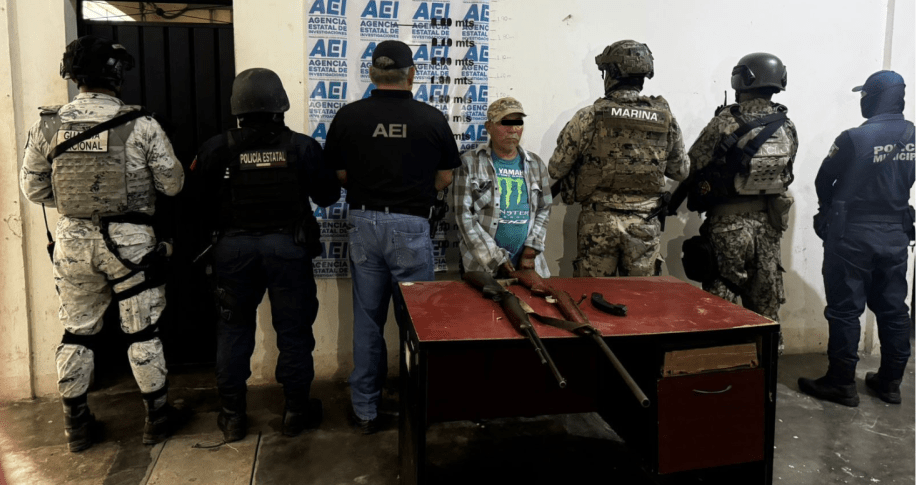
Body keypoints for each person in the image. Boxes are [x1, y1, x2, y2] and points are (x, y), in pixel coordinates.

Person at [19, 35, 189, 452]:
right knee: (142, 329)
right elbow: (172, 185)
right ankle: (157, 419)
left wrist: (79, 203)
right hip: (131, 246)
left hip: (73, 244)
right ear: (117, 76)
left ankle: (76, 425)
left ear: (72, 75)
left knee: (76, 332)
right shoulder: (141, 125)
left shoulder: (47, 126)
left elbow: (33, 189)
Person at [193, 68, 342, 441]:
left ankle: (232, 417)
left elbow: (197, 202)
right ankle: (295, 412)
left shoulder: (215, 147)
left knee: (233, 330)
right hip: (287, 249)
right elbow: (327, 196)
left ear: (237, 106)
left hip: (233, 251)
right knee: (294, 330)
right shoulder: (302, 147)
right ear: (281, 104)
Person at [323, 40, 461, 434]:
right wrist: (412, 193)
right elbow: (445, 177)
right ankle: (419, 405)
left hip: (363, 223)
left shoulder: (349, 117)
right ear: (411, 74)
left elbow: (340, 175)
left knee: (368, 320)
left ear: (372, 73)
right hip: (411, 225)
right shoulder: (431, 119)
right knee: (417, 321)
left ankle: (365, 411)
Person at [799, 70, 915, 407]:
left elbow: (824, 180)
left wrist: (827, 211)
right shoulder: (913, 135)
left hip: (853, 234)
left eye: (865, 95)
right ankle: (890, 383)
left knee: (845, 310)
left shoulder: (854, 138)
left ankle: (841, 383)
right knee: (894, 310)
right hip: (895, 233)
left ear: (875, 97)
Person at [549, 40, 688, 277]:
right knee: (640, 296)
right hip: (644, 223)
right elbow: (680, 171)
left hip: (598, 222)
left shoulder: (589, 117)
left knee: (593, 294)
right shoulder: (665, 118)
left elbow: (556, 168)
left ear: (612, 73)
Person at [683, 53, 797, 331]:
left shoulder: (725, 122)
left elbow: (693, 163)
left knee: (721, 305)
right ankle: (769, 357)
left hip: (727, 226)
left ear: (741, 80)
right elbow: (787, 173)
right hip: (768, 228)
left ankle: (724, 357)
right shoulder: (786, 125)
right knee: (766, 307)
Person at [453, 97, 552, 278]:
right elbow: (464, 216)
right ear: (489, 126)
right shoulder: (470, 163)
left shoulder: (536, 164)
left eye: (518, 123)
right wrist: (495, 259)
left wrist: (531, 250)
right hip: (483, 267)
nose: (512, 129)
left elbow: (544, 208)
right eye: (505, 123)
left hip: (528, 266)